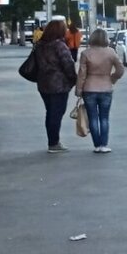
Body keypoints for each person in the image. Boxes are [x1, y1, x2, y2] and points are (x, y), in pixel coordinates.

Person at [76, 29, 125, 153]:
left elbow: (82, 74)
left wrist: (79, 89)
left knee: (93, 118)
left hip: (89, 89)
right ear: (105, 38)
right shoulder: (111, 52)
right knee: (104, 118)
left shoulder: (86, 53)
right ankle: (104, 144)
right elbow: (120, 70)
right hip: (106, 88)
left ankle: (96, 145)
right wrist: (112, 79)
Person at [33, 19, 77, 153]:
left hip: (43, 83)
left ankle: (52, 141)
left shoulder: (40, 45)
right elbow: (68, 64)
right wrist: (73, 79)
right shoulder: (59, 45)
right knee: (56, 113)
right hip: (59, 84)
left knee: (50, 112)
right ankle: (54, 143)